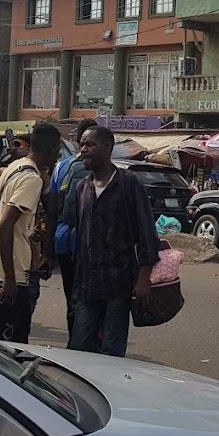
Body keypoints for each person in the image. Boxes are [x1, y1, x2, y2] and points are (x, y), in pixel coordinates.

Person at [68, 125, 160, 358]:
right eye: (82, 145)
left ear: (108, 148)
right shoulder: (82, 188)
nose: (84, 150)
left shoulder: (128, 184)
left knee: (111, 350)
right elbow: (81, 237)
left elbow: (147, 233)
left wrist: (143, 280)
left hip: (119, 283)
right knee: (79, 348)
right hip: (87, 284)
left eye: (91, 144)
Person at [0, 124, 60, 343]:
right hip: (11, 269)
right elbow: (5, 225)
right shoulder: (32, 179)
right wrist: (10, 280)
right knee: (12, 342)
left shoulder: (15, 166)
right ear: (51, 150)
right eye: (58, 152)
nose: (58, 157)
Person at [49, 119, 95, 336]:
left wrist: (48, 249)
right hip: (91, 245)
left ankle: (76, 339)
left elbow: (52, 204)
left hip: (66, 240)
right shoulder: (109, 169)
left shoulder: (62, 166)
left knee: (73, 298)